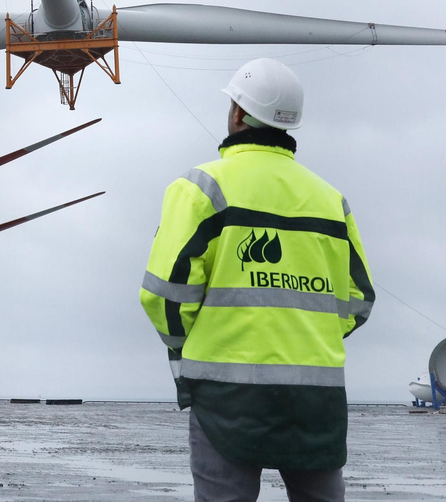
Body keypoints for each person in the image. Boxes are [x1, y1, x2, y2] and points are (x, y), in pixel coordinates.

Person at [139, 58, 374, 502]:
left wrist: (189, 348)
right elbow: (360, 299)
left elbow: (163, 295)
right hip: (315, 403)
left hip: (226, 398)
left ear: (237, 115)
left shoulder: (202, 188)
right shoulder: (331, 201)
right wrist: (308, 334)